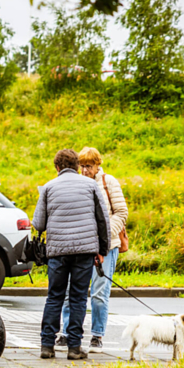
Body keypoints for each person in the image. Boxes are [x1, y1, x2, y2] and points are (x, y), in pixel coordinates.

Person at [33, 149, 110, 361]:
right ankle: (74, 347)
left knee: (54, 296)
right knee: (77, 298)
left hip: (58, 252)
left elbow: (38, 223)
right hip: (84, 251)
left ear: (57, 167)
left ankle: (47, 346)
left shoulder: (48, 187)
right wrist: (102, 250)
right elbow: (103, 219)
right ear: (77, 166)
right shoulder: (91, 185)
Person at [56, 147, 129, 352]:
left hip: (107, 247)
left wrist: (103, 236)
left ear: (97, 165)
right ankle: (67, 332)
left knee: (99, 293)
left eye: (89, 166)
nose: (85, 170)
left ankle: (97, 335)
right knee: (72, 291)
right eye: (82, 166)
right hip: (82, 246)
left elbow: (122, 212)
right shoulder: (78, 183)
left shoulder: (108, 182)